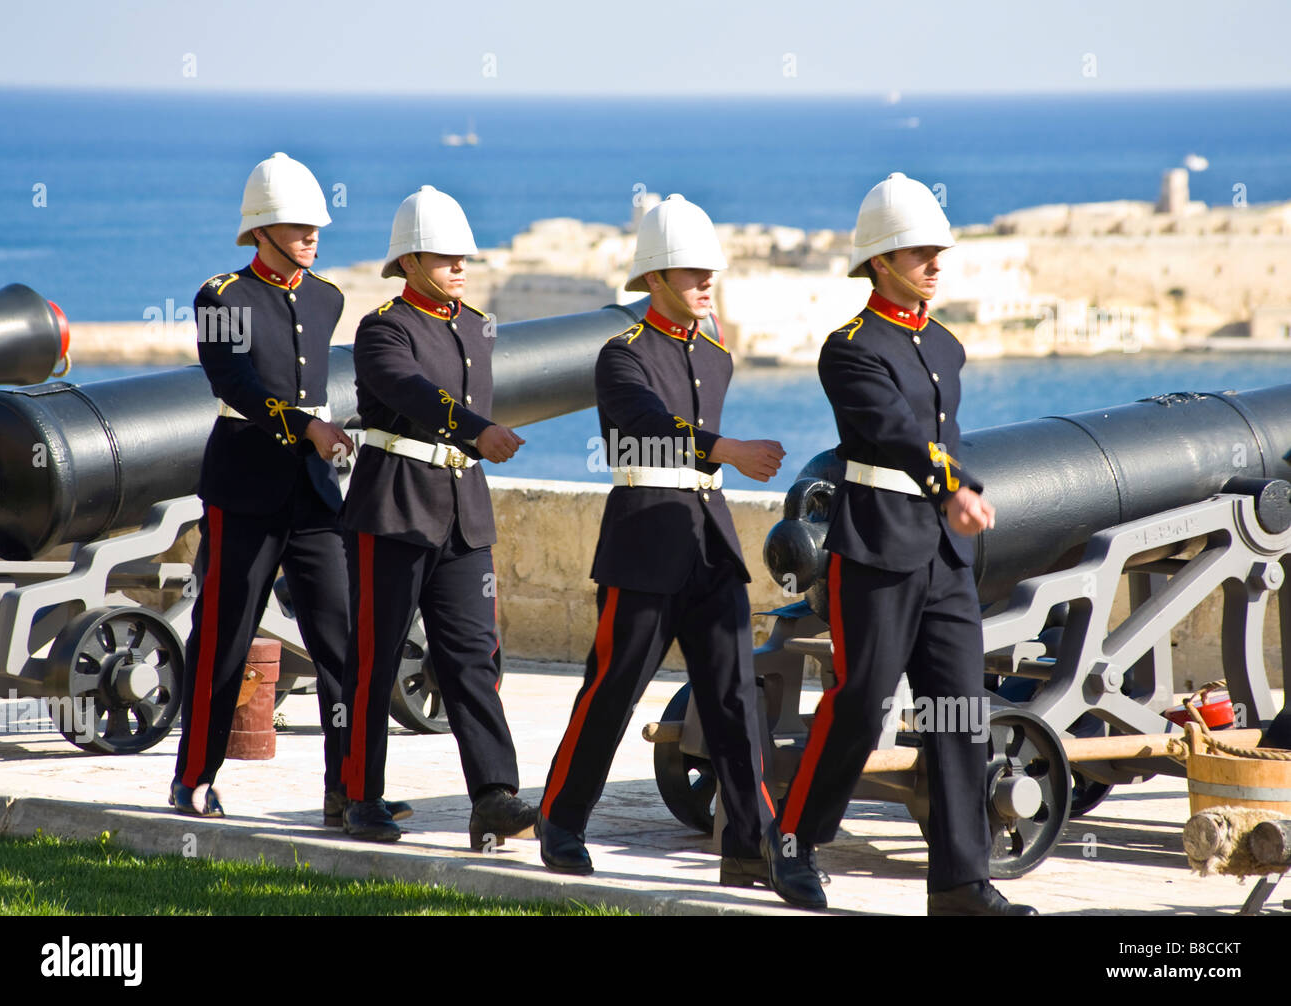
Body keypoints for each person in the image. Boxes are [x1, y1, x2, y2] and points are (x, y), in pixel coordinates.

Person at [762, 172, 1037, 915]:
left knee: (960, 711)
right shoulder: (848, 348)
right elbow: (893, 433)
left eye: (939, 250)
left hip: (945, 560)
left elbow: (938, 437)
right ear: (879, 262)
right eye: (918, 252)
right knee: (859, 703)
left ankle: (958, 882)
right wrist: (953, 486)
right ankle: (792, 840)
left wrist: (953, 493)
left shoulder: (944, 345)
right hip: (877, 551)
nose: (935, 263)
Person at [537, 194, 787, 894]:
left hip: (710, 539)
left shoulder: (716, 356)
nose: (706, 283)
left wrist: (720, 459)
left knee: (736, 697)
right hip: (645, 536)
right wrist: (726, 449)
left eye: (711, 272)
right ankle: (560, 822)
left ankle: (751, 844)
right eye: (689, 273)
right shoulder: (620, 357)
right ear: (653, 279)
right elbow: (648, 424)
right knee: (613, 690)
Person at [171, 152, 410, 829]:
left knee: (344, 643)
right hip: (243, 484)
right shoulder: (220, 296)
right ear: (262, 229)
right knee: (224, 636)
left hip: (311, 496)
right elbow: (234, 386)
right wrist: (307, 426)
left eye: (315, 226)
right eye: (298, 226)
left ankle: (350, 789)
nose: (311, 236)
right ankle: (192, 779)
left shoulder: (327, 296)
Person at [338, 185, 538, 845]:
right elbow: (412, 393)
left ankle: (493, 795)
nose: (460, 266)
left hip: (463, 514)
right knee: (376, 657)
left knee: (474, 657)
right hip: (396, 505)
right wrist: (477, 429)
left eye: (464, 258)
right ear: (411, 260)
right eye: (446, 257)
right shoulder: (383, 328)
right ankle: (360, 796)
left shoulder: (476, 325)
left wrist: (476, 440)